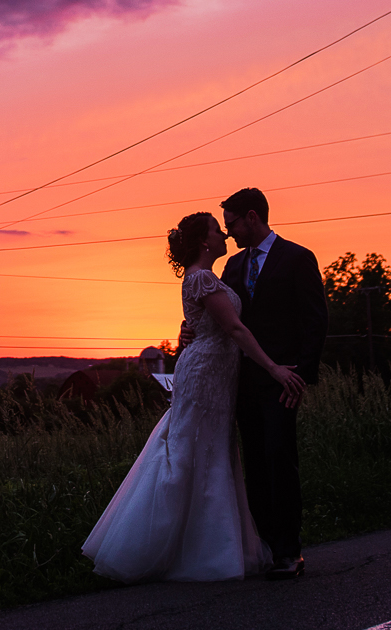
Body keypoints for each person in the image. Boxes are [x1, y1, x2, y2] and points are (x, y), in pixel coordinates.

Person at [82, 211, 306, 582]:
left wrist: (189, 331)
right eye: (218, 231)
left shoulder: (207, 278)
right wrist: (274, 368)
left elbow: (204, 322)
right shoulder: (202, 278)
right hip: (204, 375)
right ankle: (173, 548)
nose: (224, 236)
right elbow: (234, 328)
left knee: (210, 449)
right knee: (194, 450)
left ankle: (206, 543)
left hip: (215, 374)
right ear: (204, 241)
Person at [207, 187, 327, 580]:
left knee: (280, 460)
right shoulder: (234, 268)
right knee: (255, 465)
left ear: (253, 217)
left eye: (233, 225)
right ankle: (269, 547)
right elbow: (224, 322)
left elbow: (315, 321)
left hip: (282, 381)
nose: (230, 235)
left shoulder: (297, 258)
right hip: (243, 382)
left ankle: (290, 551)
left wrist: (301, 376)